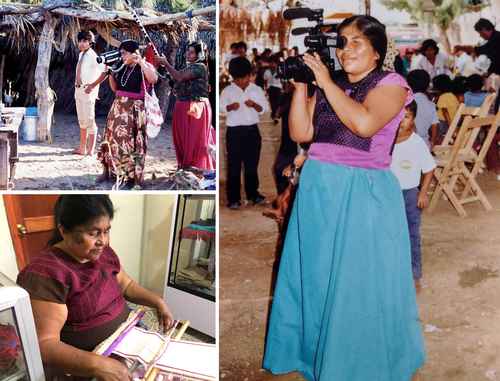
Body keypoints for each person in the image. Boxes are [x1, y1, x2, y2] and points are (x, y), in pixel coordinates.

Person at [263, 15, 425, 380]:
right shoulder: (331, 84)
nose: (345, 49)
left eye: (356, 42)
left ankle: (355, 362)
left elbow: (365, 124)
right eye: (342, 41)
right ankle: (310, 353)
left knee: (358, 279)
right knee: (317, 274)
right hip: (319, 189)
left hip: (362, 191)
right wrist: (302, 87)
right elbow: (302, 132)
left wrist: (323, 80)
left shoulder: (392, 84)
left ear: (376, 52)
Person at [16, 195, 174, 380]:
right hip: (93, 356)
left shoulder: (103, 253)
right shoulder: (46, 274)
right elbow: (44, 344)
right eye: (93, 233)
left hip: (128, 333)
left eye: (106, 231)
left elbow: (126, 285)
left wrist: (158, 301)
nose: (103, 241)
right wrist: (97, 365)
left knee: (170, 366)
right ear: (64, 230)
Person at [97, 40, 158, 189]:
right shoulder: (121, 66)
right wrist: (110, 73)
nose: (122, 56)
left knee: (133, 143)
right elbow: (115, 88)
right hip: (118, 106)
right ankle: (109, 171)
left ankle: (135, 178)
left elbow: (153, 78)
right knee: (111, 139)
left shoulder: (143, 66)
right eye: (121, 53)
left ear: (134, 53)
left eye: (124, 53)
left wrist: (141, 62)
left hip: (134, 109)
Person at [390, 101, 436, 293]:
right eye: (397, 116)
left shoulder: (416, 142)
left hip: (409, 194)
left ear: (413, 119)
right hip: (388, 194)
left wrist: (423, 192)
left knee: (411, 234)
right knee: (388, 233)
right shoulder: (386, 140)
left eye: (406, 117)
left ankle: (414, 275)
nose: (401, 121)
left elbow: (429, 168)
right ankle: (390, 271)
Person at [219, 56, 269, 210]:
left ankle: (253, 194)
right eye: (239, 79)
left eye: (245, 78)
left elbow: (264, 109)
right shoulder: (227, 91)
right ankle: (234, 199)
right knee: (234, 166)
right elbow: (221, 108)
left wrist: (254, 105)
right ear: (234, 78)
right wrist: (229, 107)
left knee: (251, 165)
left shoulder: (256, 89)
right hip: (234, 132)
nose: (242, 81)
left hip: (252, 131)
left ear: (250, 75)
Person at [156, 41, 215, 170]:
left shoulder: (200, 67)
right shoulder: (189, 67)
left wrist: (166, 63)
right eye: (187, 51)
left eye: (192, 52)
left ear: (199, 55)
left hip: (196, 105)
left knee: (194, 139)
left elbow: (179, 77)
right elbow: (177, 82)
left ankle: (194, 167)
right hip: (184, 106)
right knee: (183, 137)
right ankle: (185, 166)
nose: (188, 54)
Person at [74, 31, 107, 156]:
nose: (81, 44)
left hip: (88, 91)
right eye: (80, 41)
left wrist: (92, 86)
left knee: (89, 119)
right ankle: (82, 148)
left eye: (85, 41)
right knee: (82, 120)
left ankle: (90, 150)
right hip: (78, 89)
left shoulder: (93, 56)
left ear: (90, 42)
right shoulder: (81, 54)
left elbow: (105, 71)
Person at [407, 70, 439, 148]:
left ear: (408, 84)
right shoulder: (431, 104)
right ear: (427, 85)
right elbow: (435, 126)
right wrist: (432, 143)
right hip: (425, 145)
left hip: (408, 144)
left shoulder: (406, 101)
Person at [263, 55, 283, 123]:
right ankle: (274, 114)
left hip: (278, 88)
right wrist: (266, 89)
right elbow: (265, 81)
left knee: (277, 102)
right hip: (270, 88)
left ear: (276, 63)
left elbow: (283, 80)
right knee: (272, 102)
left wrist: (283, 88)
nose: (272, 64)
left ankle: (275, 115)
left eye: (274, 62)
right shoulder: (267, 71)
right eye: (271, 63)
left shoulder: (279, 70)